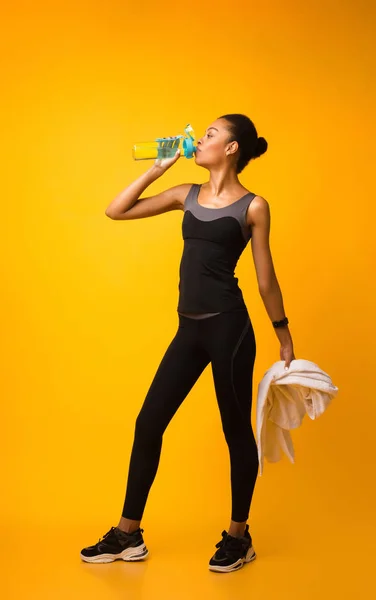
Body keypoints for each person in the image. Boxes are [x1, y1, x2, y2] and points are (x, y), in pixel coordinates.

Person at [80, 114, 296, 573]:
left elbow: (265, 278)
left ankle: (239, 537)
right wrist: (159, 167)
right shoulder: (186, 194)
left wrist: (284, 337)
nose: (201, 139)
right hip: (189, 330)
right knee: (148, 423)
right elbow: (116, 210)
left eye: (211, 134)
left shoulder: (254, 206)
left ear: (233, 148)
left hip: (229, 329)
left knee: (234, 431)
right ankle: (127, 534)